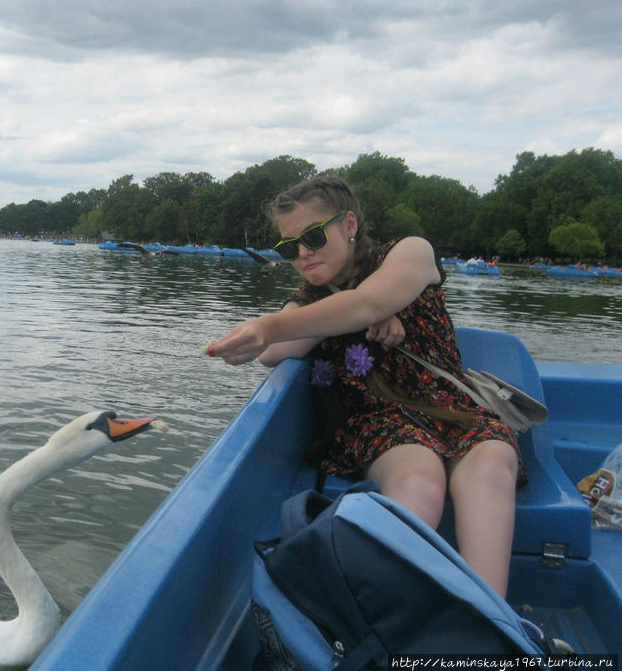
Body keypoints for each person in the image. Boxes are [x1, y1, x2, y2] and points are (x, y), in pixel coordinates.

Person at [207, 176, 522, 597]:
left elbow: (370, 300)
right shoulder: (309, 301)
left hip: (452, 410)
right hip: (382, 424)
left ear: (350, 224)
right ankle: (389, 616)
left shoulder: (409, 252)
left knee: (492, 462)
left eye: (314, 236)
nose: (302, 254)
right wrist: (324, 320)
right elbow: (272, 352)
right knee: (420, 478)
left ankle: (490, 621)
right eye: (287, 248)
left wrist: (370, 308)